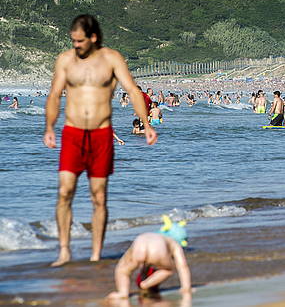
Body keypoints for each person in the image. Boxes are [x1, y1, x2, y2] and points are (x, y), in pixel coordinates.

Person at [44, 15, 157, 267]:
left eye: (80, 41)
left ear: (93, 38)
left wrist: (147, 124)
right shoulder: (65, 60)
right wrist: (49, 127)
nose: (75, 45)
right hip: (73, 133)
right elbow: (54, 95)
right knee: (64, 192)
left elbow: (133, 91)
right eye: (72, 41)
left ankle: (96, 253)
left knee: (98, 196)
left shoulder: (111, 59)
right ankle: (64, 250)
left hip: (101, 134)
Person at [107, 217, 191, 301]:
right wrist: (186, 287)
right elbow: (182, 266)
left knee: (122, 270)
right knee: (167, 270)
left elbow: (125, 259)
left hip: (139, 243)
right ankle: (145, 284)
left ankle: (123, 293)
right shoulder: (174, 243)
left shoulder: (154, 235)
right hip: (157, 249)